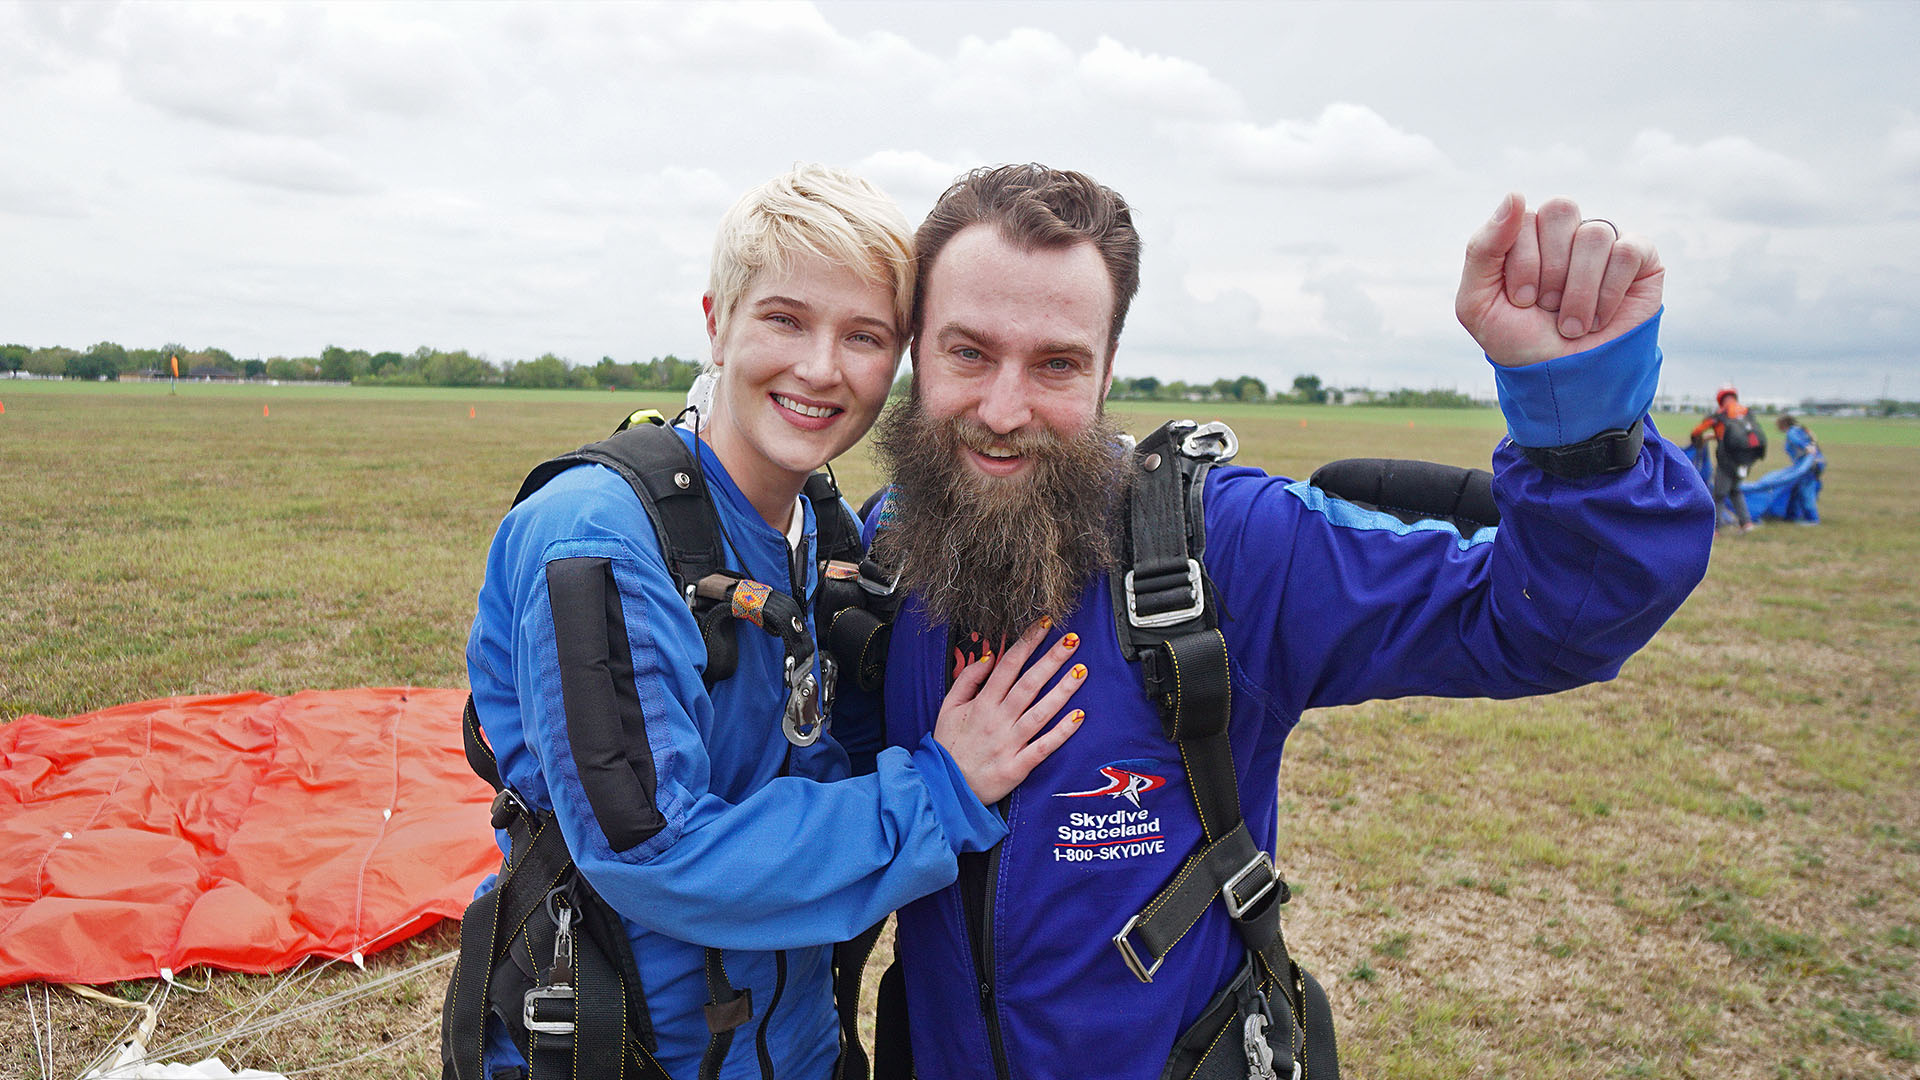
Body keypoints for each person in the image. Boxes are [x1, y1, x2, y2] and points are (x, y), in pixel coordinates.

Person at [855, 165, 1715, 1080]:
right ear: (919, 353)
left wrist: (1578, 411)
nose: (1002, 410)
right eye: (969, 353)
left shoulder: (1227, 547)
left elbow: (1545, 620)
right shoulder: (889, 551)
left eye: (1056, 363)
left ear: (1108, 368)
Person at [451, 166, 1086, 1080]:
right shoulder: (595, 536)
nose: (822, 368)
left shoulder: (823, 532)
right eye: (785, 320)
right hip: (620, 1050)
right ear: (717, 321)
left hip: (795, 1044)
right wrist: (942, 790)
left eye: (863, 336)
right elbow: (656, 848)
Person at [1690, 385, 1763, 532]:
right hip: (1745, 459)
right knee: (1735, 490)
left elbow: (1697, 431)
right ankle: (1746, 523)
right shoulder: (1746, 412)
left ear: (1720, 399)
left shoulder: (1720, 414)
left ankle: (1714, 528)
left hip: (1726, 460)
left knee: (1719, 494)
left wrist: (1697, 440)